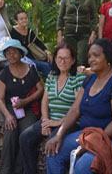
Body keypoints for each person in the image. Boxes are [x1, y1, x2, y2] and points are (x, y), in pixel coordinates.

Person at [45, 39, 112, 174]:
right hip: (86, 134)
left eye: (96, 55)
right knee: (53, 151)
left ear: (107, 57)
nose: (91, 59)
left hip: (109, 137)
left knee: (84, 165)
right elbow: (75, 109)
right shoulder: (89, 80)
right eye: (89, 56)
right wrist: (59, 135)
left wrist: (94, 142)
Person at [19, 43, 85, 174]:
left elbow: (78, 107)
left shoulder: (78, 77)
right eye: (59, 58)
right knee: (25, 137)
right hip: (50, 120)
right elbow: (44, 101)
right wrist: (45, 121)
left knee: (51, 143)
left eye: (66, 58)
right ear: (54, 59)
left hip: (69, 123)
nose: (62, 61)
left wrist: (58, 123)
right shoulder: (51, 76)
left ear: (73, 60)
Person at [0, 39, 44, 174]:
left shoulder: (30, 69)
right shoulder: (4, 74)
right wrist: (7, 115)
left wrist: (26, 101)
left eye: (14, 52)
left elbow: (40, 89)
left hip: (28, 107)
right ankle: (5, 170)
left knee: (26, 135)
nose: (11, 55)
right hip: (8, 107)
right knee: (11, 131)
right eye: (8, 53)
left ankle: (18, 170)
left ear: (21, 53)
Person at [57, 0, 98, 66]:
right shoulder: (66, 0)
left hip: (84, 34)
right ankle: (71, 79)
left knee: (81, 59)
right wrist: (59, 35)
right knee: (69, 58)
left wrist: (93, 34)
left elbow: (94, 17)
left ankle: (82, 79)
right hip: (69, 33)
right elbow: (60, 18)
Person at [10, 10, 52, 77]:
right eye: (21, 19)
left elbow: (38, 42)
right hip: (23, 58)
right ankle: (51, 85)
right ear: (16, 21)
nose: (24, 20)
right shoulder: (12, 32)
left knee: (51, 63)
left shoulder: (29, 31)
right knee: (45, 66)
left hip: (33, 55)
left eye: (25, 18)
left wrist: (47, 52)